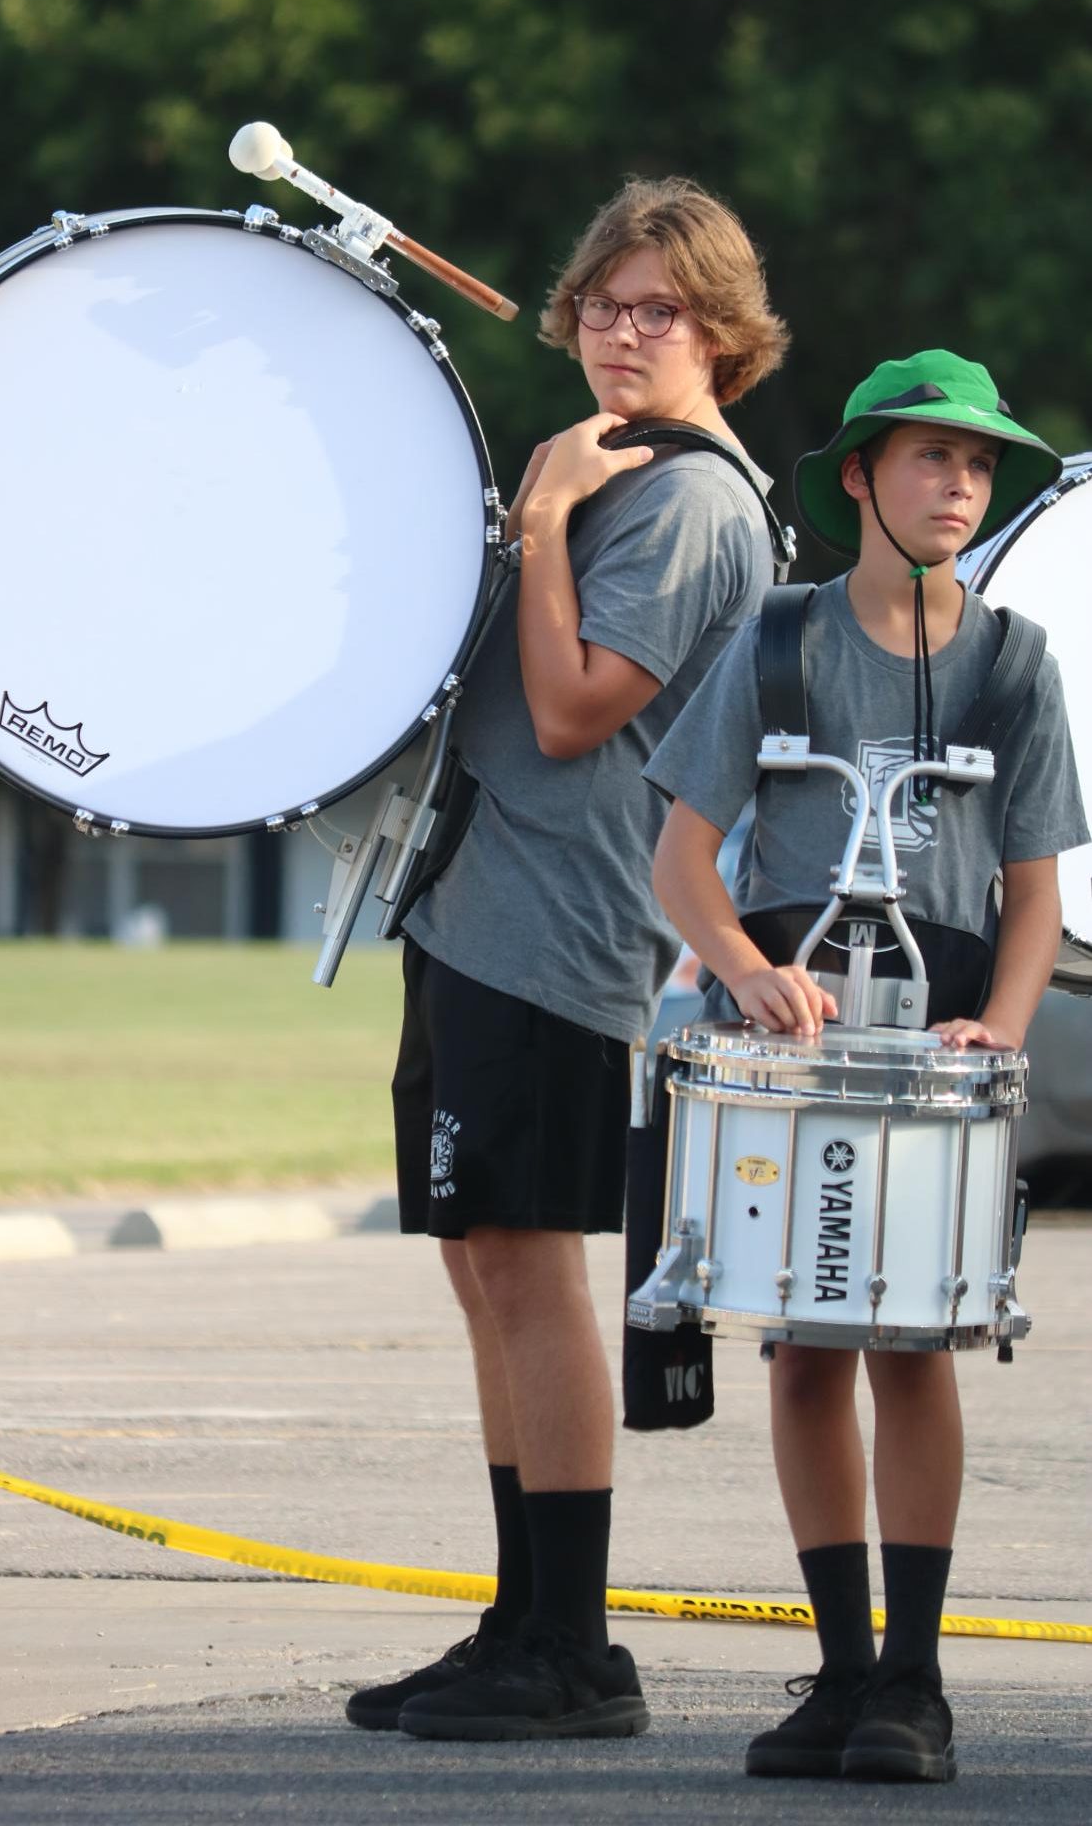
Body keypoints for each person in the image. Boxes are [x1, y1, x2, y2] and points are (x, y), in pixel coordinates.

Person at [344, 177, 789, 1742]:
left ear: (722, 335)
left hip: (556, 920)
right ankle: (521, 1616)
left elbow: (571, 707)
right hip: (474, 902)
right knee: (485, 1264)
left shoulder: (686, 502)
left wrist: (537, 527)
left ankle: (578, 1651)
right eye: (603, 304)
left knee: (530, 1269)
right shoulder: (624, 472)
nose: (620, 332)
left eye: (657, 309)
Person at [646, 349, 1088, 1783]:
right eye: (925, 459)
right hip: (792, 1027)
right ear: (856, 477)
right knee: (801, 1347)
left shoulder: (1014, 660)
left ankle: (914, 1678)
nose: (956, 486)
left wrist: (1001, 1032)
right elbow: (680, 861)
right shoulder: (776, 642)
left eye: (974, 466)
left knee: (916, 1342)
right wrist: (742, 968)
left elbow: (1032, 890)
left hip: (940, 1031)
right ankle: (838, 1669)